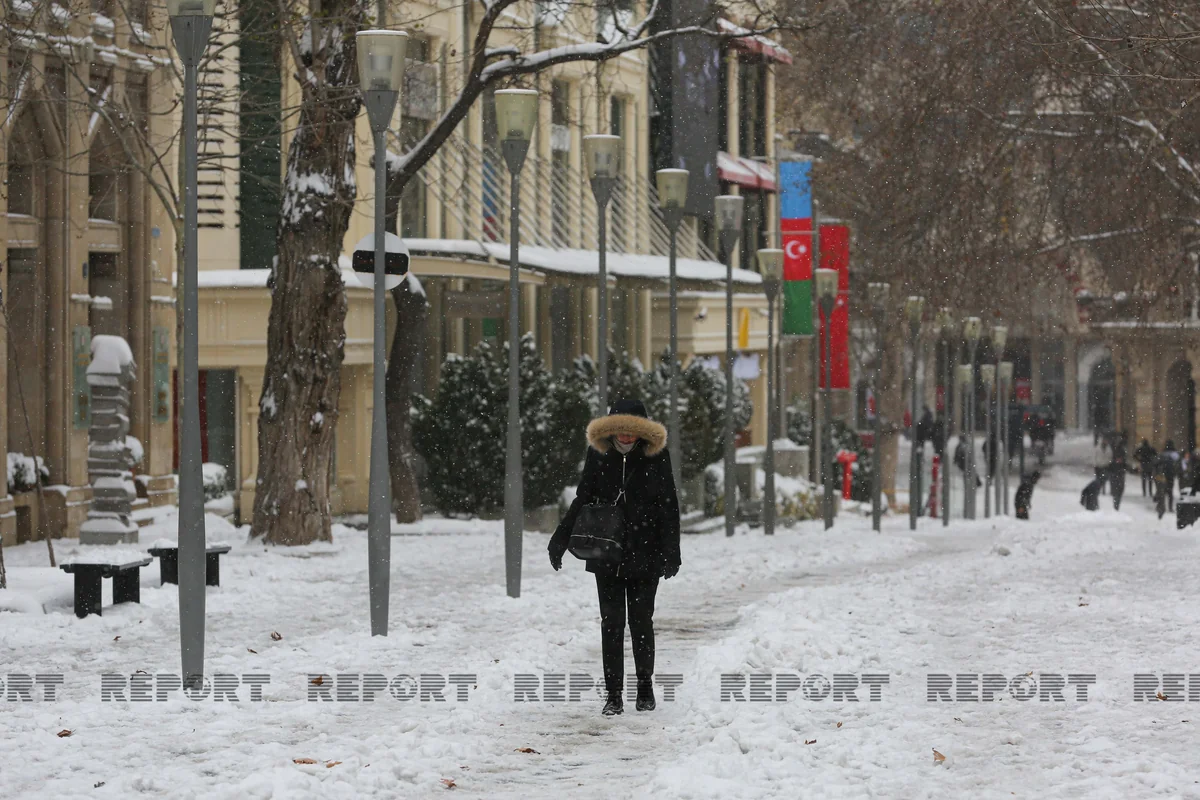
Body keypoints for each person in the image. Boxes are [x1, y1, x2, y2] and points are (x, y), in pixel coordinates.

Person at [548, 398, 681, 717]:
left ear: (643, 433)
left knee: (640, 621)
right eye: (620, 431)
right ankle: (613, 694)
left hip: (645, 550)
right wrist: (562, 536)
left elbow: (668, 503)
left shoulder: (656, 457)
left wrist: (671, 551)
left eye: (632, 432)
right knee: (611, 623)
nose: (625, 437)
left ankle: (645, 687)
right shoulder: (599, 453)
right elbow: (584, 496)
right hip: (604, 549)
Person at [1109, 436, 1127, 511]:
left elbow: (1124, 462)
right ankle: (1116, 505)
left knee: (1119, 490)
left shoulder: (1120, 450)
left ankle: (1116, 504)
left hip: (1119, 472)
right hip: (1115, 472)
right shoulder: (1112, 450)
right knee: (1116, 490)